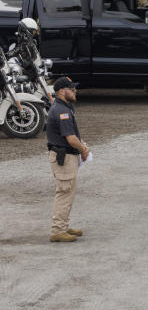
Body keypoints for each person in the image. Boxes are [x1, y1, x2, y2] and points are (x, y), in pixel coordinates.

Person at [46, 77, 89, 242]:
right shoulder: (62, 111)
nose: (75, 91)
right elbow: (70, 138)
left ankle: (63, 226)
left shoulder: (63, 107)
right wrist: (84, 149)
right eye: (72, 89)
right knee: (64, 193)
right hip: (64, 157)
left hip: (66, 156)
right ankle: (58, 230)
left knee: (67, 192)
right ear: (62, 91)